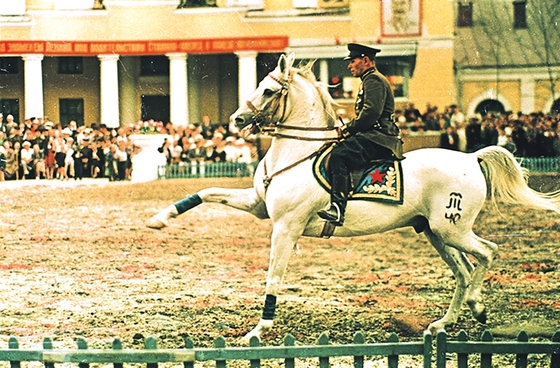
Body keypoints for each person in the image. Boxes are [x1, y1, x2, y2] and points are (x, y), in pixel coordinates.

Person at [317, 43, 404, 226]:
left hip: (379, 138)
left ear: (365, 60)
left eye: (353, 61)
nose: (349, 66)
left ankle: (338, 208)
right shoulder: (369, 79)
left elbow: (370, 114)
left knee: (339, 155)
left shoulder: (374, 80)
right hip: (374, 136)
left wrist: (348, 129)